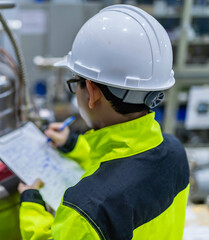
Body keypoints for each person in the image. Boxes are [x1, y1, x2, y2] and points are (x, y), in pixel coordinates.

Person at [18, 4, 190, 240]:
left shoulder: (84, 210)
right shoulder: (175, 152)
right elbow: (123, 161)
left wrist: (31, 204)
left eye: (75, 82)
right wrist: (72, 144)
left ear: (92, 91)